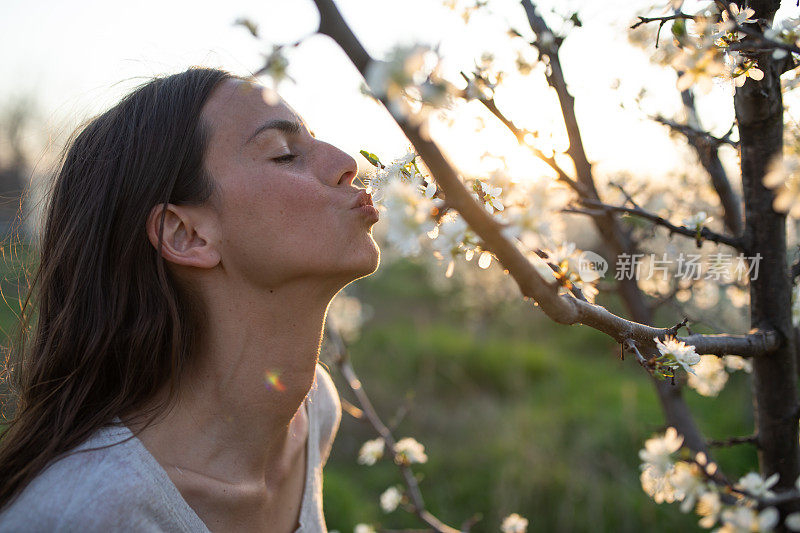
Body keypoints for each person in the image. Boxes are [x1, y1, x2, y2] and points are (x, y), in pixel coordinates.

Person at [0, 67, 381, 532]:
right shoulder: (88, 513)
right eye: (284, 155)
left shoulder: (311, 414)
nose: (346, 162)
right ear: (186, 234)